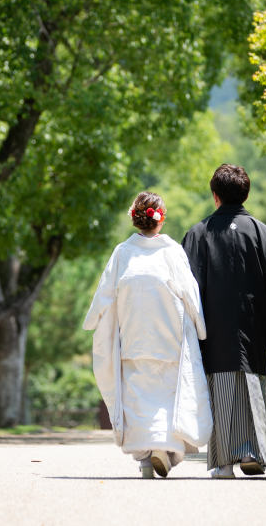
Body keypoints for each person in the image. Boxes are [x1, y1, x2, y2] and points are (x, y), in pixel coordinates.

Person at [83, 192, 212, 479]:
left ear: (135, 219)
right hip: (169, 335)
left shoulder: (123, 252)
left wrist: (92, 322)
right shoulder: (171, 251)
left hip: (132, 336)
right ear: (160, 219)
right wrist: (201, 328)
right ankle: (162, 450)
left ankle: (145, 459)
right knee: (168, 394)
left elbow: (105, 292)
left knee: (137, 395)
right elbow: (190, 292)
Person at [181, 164, 266, 479]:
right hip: (253, 325)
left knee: (218, 388)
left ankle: (223, 463)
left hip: (212, 327)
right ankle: (252, 452)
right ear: (245, 193)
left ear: (215, 196)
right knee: (252, 384)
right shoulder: (262, 232)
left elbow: (185, 287)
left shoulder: (197, 233)